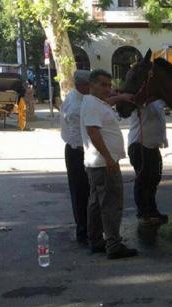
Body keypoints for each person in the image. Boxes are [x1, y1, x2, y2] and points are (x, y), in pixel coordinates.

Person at [80, 69, 138, 259]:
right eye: (102, 84)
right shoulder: (92, 105)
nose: (107, 89)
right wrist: (108, 158)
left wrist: (121, 98)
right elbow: (93, 133)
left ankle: (96, 240)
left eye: (109, 85)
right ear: (92, 85)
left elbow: (107, 103)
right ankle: (113, 245)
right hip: (104, 163)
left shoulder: (96, 103)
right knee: (111, 204)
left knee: (97, 202)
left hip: (99, 163)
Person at [60, 70, 91, 245]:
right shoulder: (77, 106)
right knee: (81, 192)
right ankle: (84, 231)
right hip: (78, 151)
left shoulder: (76, 96)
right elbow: (78, 137)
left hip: (77, 149)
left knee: (83, 191)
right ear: (83, 85)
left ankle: (86, 228)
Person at [127, 100, 169, 226]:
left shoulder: (158, 102)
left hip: (152, 147)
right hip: (139, 146)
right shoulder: (139, 101)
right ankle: (143, 213)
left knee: (154, 179)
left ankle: (152, 211)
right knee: (143, 181)